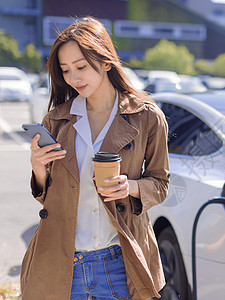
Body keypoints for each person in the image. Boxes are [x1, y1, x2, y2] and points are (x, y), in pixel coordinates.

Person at [20, 16, 169, 300]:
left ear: (105, 61)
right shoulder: (57, 120)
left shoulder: (147, 117)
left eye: (81, 67)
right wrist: (38, 169)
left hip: (120, 263)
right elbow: (47, 198)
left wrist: (131, 187)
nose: (73, 78)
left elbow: (160, 183)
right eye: (65, 70)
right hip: (62, 263)